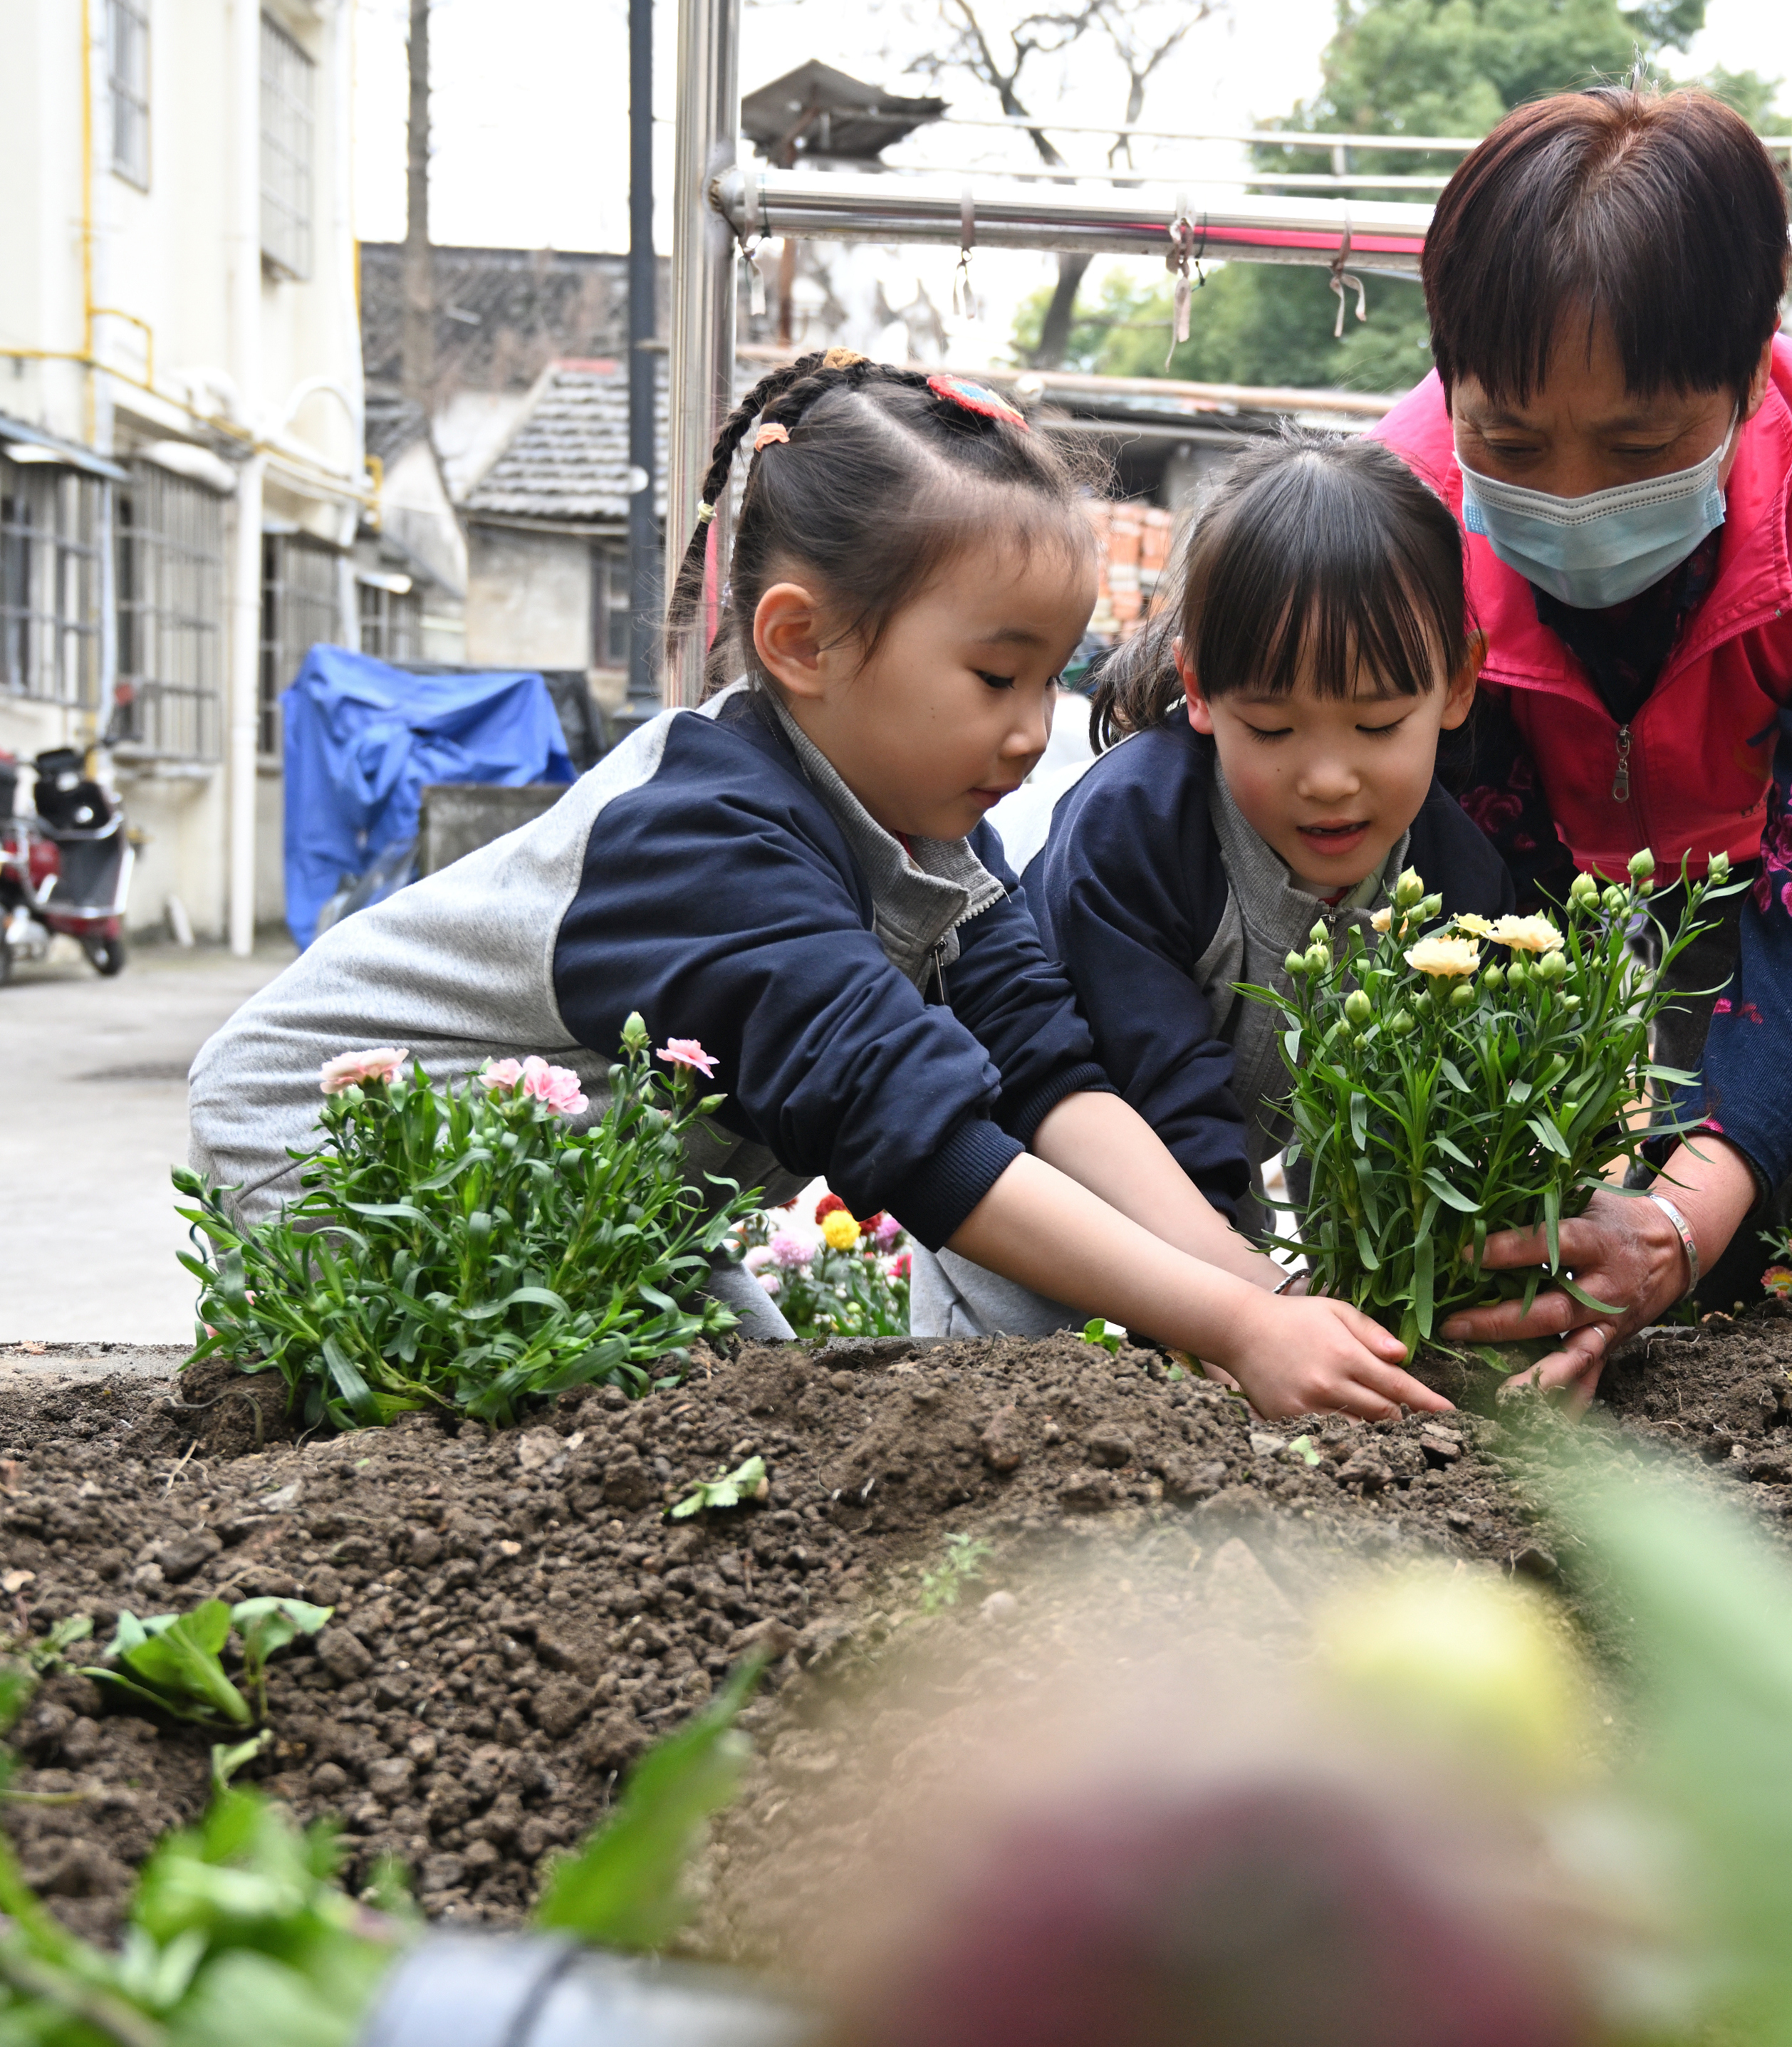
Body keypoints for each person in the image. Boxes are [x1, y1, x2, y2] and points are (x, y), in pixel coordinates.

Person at [185, 350, 1444, 1423]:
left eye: (1054, 677)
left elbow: (1050, 1075)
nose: (1032, 729)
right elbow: (921, 1133)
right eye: (997, 677)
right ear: (801, 642)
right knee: (588, 1428)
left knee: (751, 1421)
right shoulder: (706, 839)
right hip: (340, 1148)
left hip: (583, 1199)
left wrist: (1255, 1288)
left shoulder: (934, 841)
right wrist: (1229, 1323)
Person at [1367, 86, 1792, 1402]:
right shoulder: (1401, 507)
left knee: (1725, 1244)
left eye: (1640, 443)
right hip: (1508, 880)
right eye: (1513, 442)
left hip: (1753, 877)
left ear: (1751, 375)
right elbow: (1448, 868)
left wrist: (1680, 1219)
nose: (1571, 496)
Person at [918, 434, 1512, 1337]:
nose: (1327, 778)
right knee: (1025, 1411)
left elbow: (1395, 1120)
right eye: (1271, 729)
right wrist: (1251, 1305)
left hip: (1213, 1208)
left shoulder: (1456, 872)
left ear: (1459, 685)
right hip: (1031, 1185)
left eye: (1379, 723)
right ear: (1198, 690)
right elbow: (1166, 1092)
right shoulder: (1140, 831)